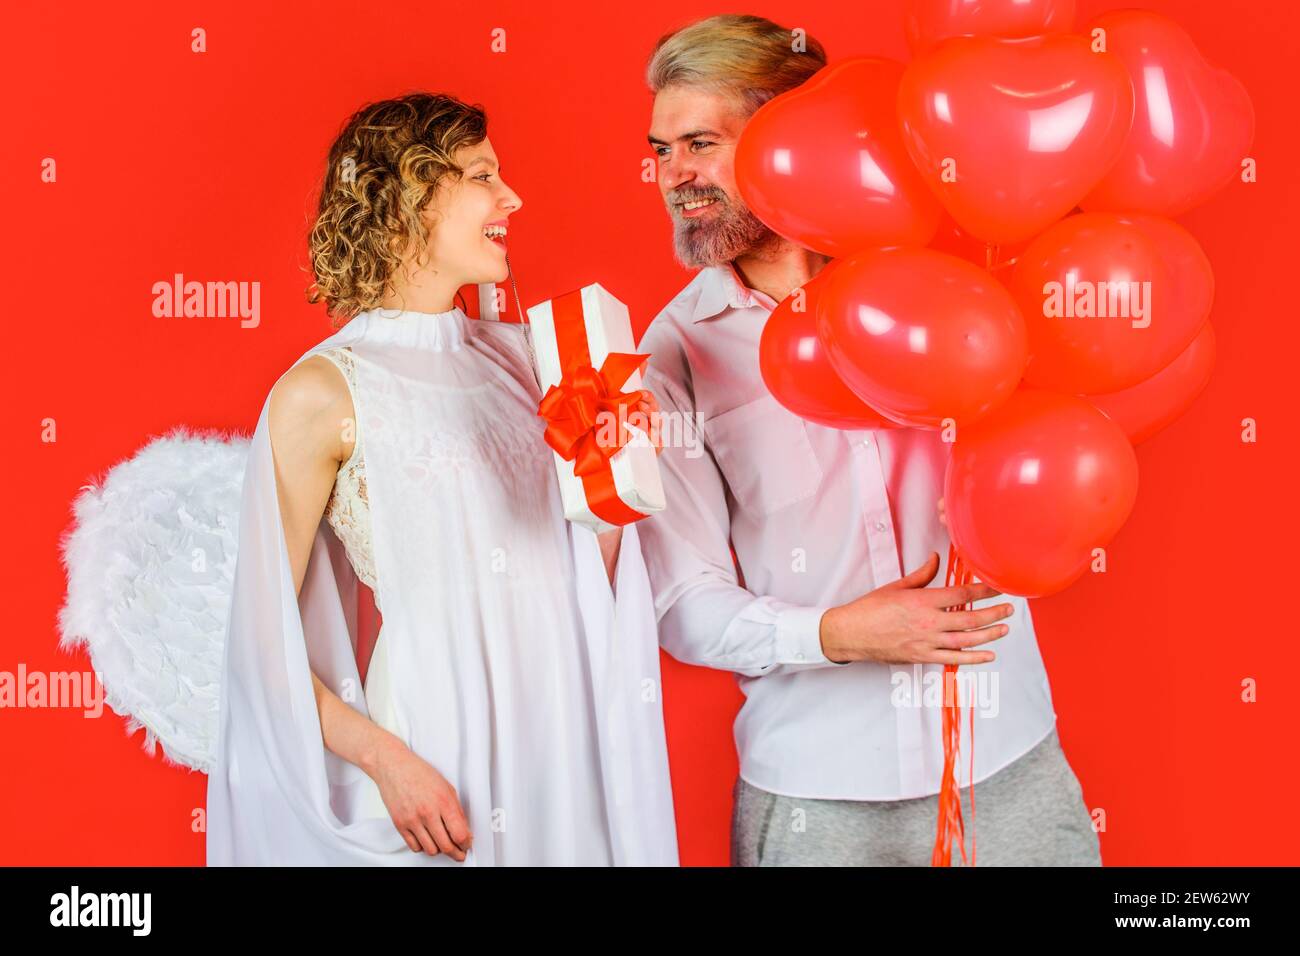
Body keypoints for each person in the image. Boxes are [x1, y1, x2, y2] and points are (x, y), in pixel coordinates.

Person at [636, 14, 1100, 866]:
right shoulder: (673, 352)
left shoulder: (962, 267)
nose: (674, 176)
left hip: (1007, 758)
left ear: (791, 136)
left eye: (699, 142)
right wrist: (840, 634)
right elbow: (680, 602)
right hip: (816, 795)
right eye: (662, 151)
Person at [205, 92, 677, 866]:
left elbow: (574, 574)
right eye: (483, 176)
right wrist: (390, 764)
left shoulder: (526, 362)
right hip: (436, 748)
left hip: (564, 737)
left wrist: (616, 479)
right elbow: (258, 646)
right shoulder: (323, 392)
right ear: (413, 196)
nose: (512, 198)